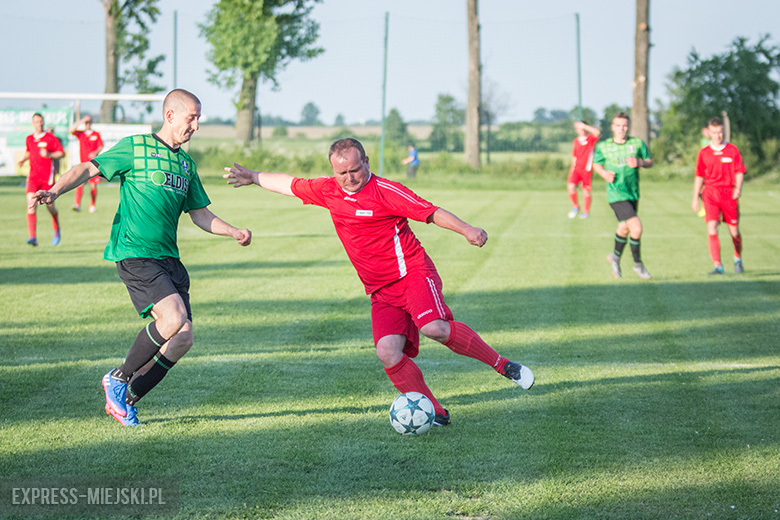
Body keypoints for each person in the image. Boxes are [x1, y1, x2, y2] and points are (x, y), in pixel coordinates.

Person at [223, 137, 534, 427]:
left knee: (434, 328)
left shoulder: (386, 191)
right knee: (387, 352)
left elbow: (430, 212)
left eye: (355, 169)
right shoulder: (328, 190)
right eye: (341, 172)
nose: (349, 177)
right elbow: (289, 184)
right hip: (380, 291)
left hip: (412, 274)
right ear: (334, 170)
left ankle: (502, 365)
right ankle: (434, 411)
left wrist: (467, 229)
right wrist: (253, 176)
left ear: (367, 162)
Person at [29, 89, 252, 427]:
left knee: (183, 337)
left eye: (198, 119)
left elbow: (200, 214)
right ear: (170, 115)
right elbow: (88, 168)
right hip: (135, 253)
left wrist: (233, 230)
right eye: (191, 117)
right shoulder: (135, 147)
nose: (196, 125)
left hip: (169, 260)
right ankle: (117, 378)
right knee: (173, 317)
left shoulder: (186, 164)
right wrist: (55, 190)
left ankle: (127, 398)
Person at [593, 112, 653, 280]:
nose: (621, 129)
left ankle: (615, 257)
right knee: (637, 227)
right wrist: (604, 173)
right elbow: (596, 164)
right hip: (616, 194)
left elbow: (650, 161)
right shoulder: (604, 146)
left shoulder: (637, 143)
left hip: (632, 193)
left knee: (624, 228)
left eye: (625, 125)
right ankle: (638, 265)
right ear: (613, 127)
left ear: (629, 126)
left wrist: (640, 162)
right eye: (618, 126)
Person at [691, 117, 746, 275]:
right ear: (709, 133)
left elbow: (740, 171)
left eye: (720, 132)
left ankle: (737, 257)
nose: (718, 135)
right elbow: (699, 176)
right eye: (714, 132)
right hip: (710, 194)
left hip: (729, 194)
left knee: (734, 232)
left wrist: (738, 188)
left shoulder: (732, 150)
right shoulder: (704, 153)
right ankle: (718, 265)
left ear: (723, 132)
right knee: (712, 228)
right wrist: (695, 197)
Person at [18, 113, 65, 246]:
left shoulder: (50, 138)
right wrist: (23, 159)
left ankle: (56, 228)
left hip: (47, 179)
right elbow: (29, 151)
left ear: (43, 122)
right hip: (33, 178)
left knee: (50, 207)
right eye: (37, 122)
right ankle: (32, 237)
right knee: (31, 206)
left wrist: (49, 154)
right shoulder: (29, 139)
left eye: (41, 121)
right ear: (33, 123)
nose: (39, 124)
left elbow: (61, 153)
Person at [566, 121, 601, 219]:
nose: (579, 130)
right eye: (578, 128)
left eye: (581, 127)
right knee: (571, 187)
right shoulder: (576, 141)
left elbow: (597, 133)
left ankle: (586, 212)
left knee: (586, 190)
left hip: (586, 170)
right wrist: (572, 168)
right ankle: (576, 206)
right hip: (576, 169)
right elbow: (574, 156)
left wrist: (585, 126)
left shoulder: (590, 138)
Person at [70, 115, 104, 212]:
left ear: (92, 122)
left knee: (93, 185)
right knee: (80, 184)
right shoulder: (81, 134)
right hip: (83, 164)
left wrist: (95, 152)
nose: (87, 124)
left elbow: (100, 145)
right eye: (86, 122)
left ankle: (92, 205)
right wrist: (81, 121)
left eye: (89, 122)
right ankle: (77, 204)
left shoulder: (95, 134)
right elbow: (71, 130)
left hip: (93, 164)